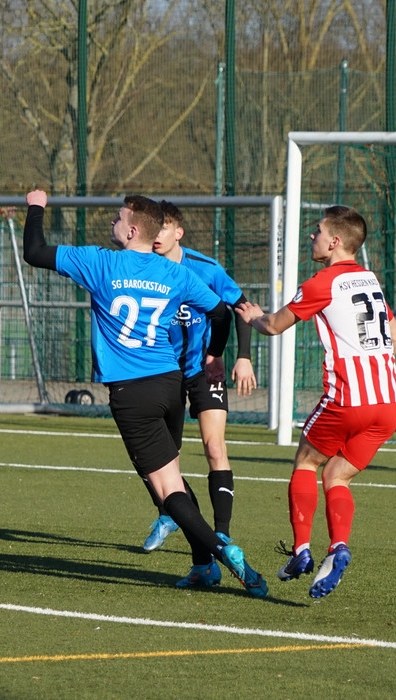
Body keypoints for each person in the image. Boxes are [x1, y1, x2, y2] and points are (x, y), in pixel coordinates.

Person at [22, 189, 268, 598]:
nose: (112, 222)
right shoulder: (174, 272)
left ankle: (222, 550)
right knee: (172, 479)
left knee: (166, 489)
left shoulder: (100, 262)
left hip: (131, 392)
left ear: (133, 230)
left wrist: (35, 207)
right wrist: (215, 353)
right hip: (170, 383)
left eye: (118, 218)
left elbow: (34, 252)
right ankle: (203, 566)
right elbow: (221, 312)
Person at [235, 205, 396, 599]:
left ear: (335, 241)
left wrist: (254, 316)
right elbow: (395, 337)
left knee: (307, 463)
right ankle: (338, 548)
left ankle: (301, 550)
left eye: (318, 231)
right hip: (388, 403)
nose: (312, 237)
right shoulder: (370, 280)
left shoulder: (322, 282)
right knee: (337, 476)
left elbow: (273, 326)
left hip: (348, 400)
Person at [140, 201, 257, 553]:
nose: (157, 235)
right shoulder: (141, 267)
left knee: (214, 446)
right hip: (161, 372)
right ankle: (168, 514)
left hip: (205, 369)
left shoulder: (205, 269)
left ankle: (222, 534)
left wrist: (243, 357)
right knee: (160, 457)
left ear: (178, 232)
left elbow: (240, 307)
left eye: (164, 228)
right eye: (153, 228)